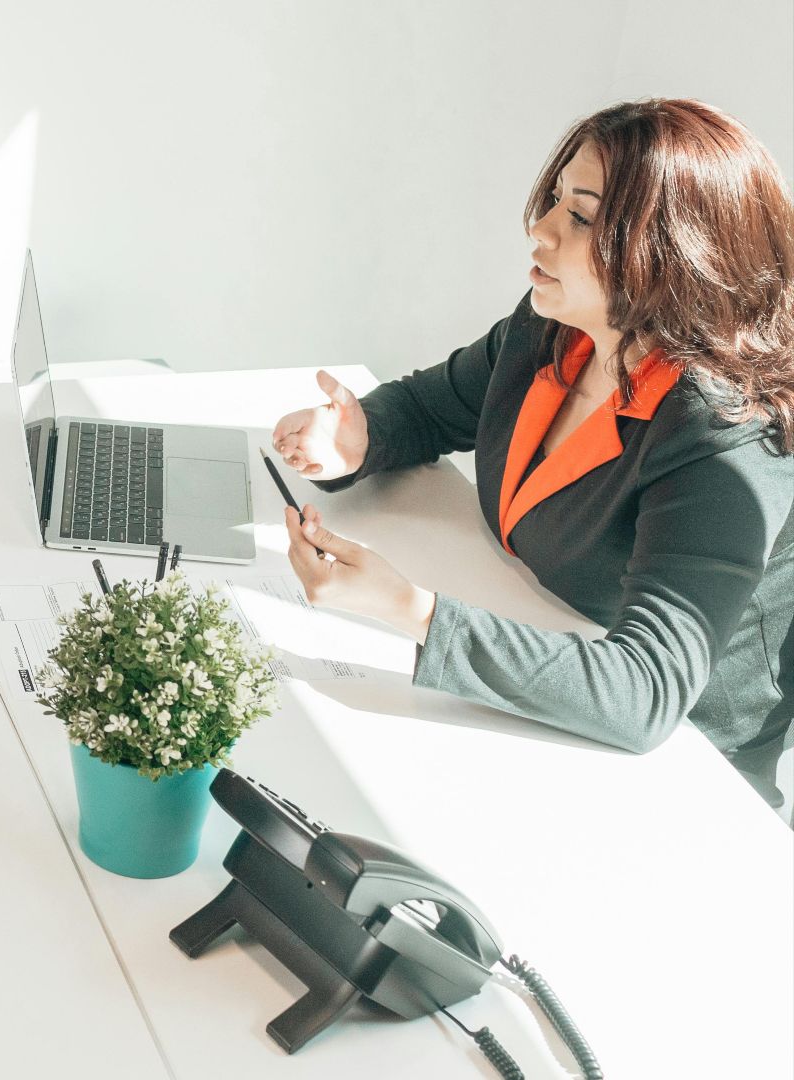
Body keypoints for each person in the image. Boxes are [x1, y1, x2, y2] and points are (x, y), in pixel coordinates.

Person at [270, 99, 794, 820]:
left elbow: (644, 693)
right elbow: (429, 409)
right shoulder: (555, 328)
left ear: (674, 254)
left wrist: (407, 608)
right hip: (538, 656)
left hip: (682, 776)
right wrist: (359, 438)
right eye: (553, 201)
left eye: (579, 218)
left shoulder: (726, 435)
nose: (539, 230)